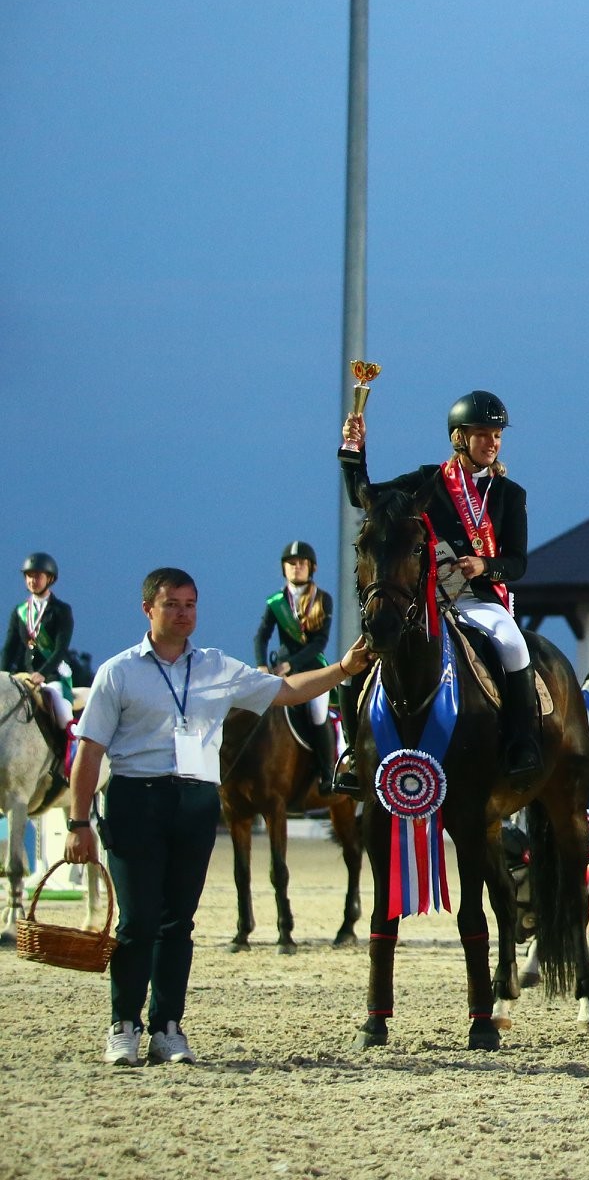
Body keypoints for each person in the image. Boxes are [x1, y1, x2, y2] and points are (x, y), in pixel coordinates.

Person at [64, 567, 372, 1066]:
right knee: (137, 920)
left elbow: (288, 692)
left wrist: (342, 668)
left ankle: (168, 1027)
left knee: (177, 923)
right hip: (135, 799)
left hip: (195, 802)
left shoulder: (215, 667)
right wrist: (79, 824)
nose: (184, 613)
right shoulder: (118, 672)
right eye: (172, 605)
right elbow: (90, 751)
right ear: (148, 609)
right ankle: (123, 1025)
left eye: (190, 604)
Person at [338, 390, 541, 784]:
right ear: (459, 438)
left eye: (497, 434)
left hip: (477, 599)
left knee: (514, 645)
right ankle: (351, 753)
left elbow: (517, 562)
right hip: (422, 598)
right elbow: (363, 497)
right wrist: (354, 450)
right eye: (482, 433)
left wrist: (485, 564)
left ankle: (522, 742)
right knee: (356, 657)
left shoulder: (509, 494)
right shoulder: (427, 480)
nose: (492, 442)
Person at [252, 541, 336, 785]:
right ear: (283, 568)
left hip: (313, 670)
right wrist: (261, 665)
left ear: (311, 567)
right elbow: (261, 636)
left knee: (318, 713)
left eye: (301, 563)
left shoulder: (323, 599)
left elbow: (320, 642)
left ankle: (327, 772)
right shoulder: (275, 602)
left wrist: (291, 664)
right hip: (281, 670)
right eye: (291, 564)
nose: (296, 567)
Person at [5, 552, 77, 757]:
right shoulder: (20, 611)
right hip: (26, 675)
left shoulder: (61, 610)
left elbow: (60, 649)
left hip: (53, 675)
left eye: (37, 576)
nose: (32, 580)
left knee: (63, 715)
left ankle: (69, 762)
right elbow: (10, 648)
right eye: (29, 576)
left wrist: (43, 674)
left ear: (50, 579)